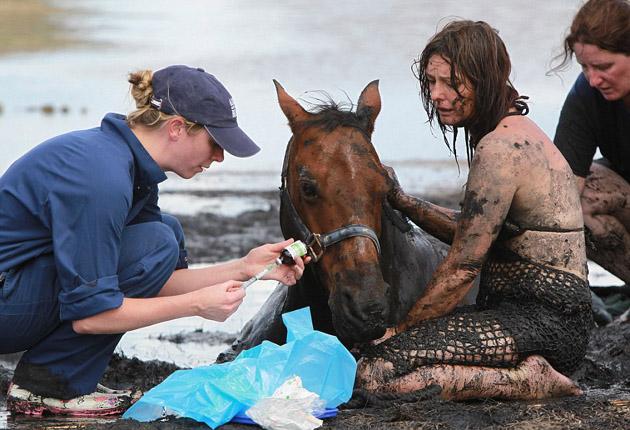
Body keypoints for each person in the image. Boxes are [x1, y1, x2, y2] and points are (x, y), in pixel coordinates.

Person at [0, 65, 308, 416]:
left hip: (16, 292)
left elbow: (151, 280)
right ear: (177, 128)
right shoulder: (102, 177)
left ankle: (60, 377)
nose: (220, 157)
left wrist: (243, 269)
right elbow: (91, 316)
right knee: (158, 241)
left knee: (164, 235)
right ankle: (49, 387)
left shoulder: (130, 167)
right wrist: (196, 305)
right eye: (215, 142)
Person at [356, 20, 593, 400]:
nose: (438, 94)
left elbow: (463, 267)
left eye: (452, 82)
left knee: (374, 372)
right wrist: (402, 200)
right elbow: (475, 232)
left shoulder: (500, 147)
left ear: (484, 77)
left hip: (540, 322)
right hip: (549, 319)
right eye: (431, 82)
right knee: (403, 360)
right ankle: (526, 373)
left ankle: (531, 382)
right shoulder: (514, 130)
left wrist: (401, 332)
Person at [552, 0, 630, 317]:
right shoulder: (587, 94)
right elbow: (560, 189)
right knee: (574, 202)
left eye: (604, 67)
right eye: (585, 67)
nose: (593, 79)